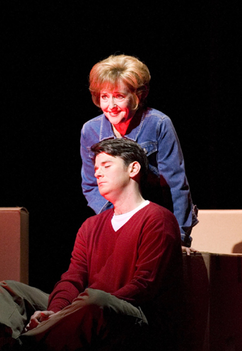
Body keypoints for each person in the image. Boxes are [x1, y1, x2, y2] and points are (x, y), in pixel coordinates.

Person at [0, 139, 183, 351]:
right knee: (7, 289)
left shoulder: (158, 219)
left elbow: (144, 285)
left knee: (94, 300)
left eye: (107, 165)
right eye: (96, 166)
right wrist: (54, 311)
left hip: (132, 319)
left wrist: (71, 311)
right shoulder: (91, 226)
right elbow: (73, 276)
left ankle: (9, 346)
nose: (98, 172)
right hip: (86, 308)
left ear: (133, 169)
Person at [80, 54, 198, 249]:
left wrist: (180, 235)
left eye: (119, 96)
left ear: (137, 95)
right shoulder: (90, 130)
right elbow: (91, 185)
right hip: (115, 220)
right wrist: (120, 221)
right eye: (104, 97)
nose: (111, 106)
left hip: (158, 219)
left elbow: (176, 184)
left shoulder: (158, 124)